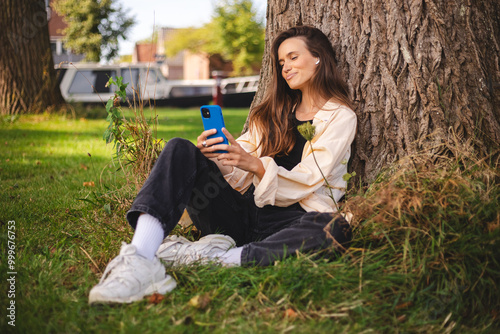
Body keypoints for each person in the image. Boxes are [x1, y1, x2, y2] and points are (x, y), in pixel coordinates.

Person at [89, 25, 357, 304]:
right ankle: (140, 258)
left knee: (334, 228)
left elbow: (312, 177)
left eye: (292, 57)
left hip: (292, 221)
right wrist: (221, 155)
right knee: (181, 148)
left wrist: (255, 164)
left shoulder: (340, 116)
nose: (285, 67)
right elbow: (240, 176)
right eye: (280, 62)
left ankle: (215, 258)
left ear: (318, 57)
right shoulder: (270, 113)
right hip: (239, 214)